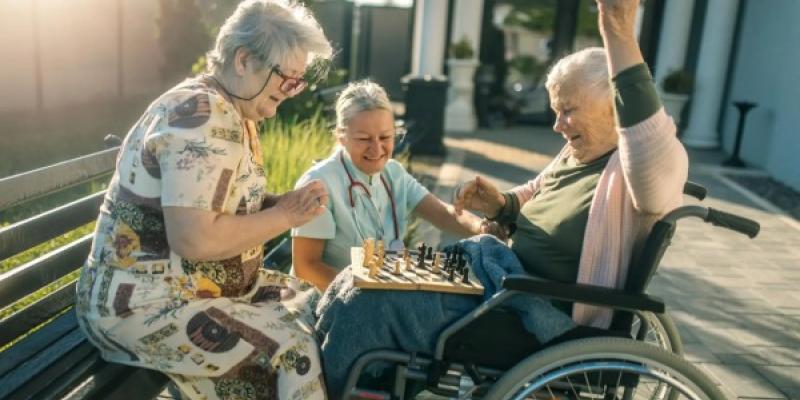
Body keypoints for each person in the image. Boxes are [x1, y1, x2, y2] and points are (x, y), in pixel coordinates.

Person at [315, 0, 689, 397]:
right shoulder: (578, 152)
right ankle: (319, 375)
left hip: (529, 312)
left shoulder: (640, 173)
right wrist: (501, 205)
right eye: (555, 111)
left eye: (567, 110)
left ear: (616, 106)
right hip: (498, 280)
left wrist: (618, 29)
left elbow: (647, 136)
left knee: (368, 302)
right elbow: (532, 195)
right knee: (356, 278)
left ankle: (325, 387)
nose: (556, 125)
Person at [75, 1, 333, 399]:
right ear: (243, 60)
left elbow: (217, 203)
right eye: (287, 79)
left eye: (298, 83)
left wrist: (280, 204)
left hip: (194, 290)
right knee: (293, 351)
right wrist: (285, 214)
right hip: (143, 306)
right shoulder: (203, 115)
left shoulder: (231, 109)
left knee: (313, 305)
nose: (291, 92)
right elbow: (195, 238)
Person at [291, 80, 489, 291]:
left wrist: (483, 228)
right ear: (341, 136)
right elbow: (306, 267)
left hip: (378, 294)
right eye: (364, 139)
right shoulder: (318, 183)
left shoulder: (394, 173)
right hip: (324, 298)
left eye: (385, 137)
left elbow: (442, 214)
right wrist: (361, 290)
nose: (377, 150)